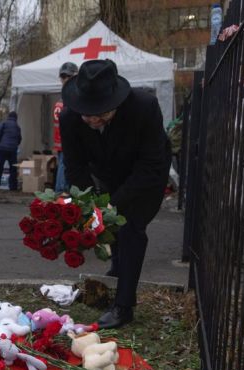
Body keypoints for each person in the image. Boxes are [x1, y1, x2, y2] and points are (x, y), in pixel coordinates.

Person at [60, 59, 171, 329]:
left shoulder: (144, 107)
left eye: (101, 112)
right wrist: (87, 205)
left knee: (130, 226)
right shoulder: (69, 117)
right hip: (106, 175)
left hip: (145, 177)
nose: (93, 119)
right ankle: (118, 272)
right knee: (110, 226)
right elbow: (75, 167)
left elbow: (151, 165)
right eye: (88, 113)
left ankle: (124, 305)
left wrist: (112, 204)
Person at [53, 62, 79, 193]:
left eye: (67, 76)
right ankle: (61, 193)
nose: (65, 79)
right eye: (63, 77)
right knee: (64, 168)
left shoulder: (63, 98)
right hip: (66, 143)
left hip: (62, 143)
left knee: (63, 167)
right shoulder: (68, 100)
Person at [0, 111, 22, 190]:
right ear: (16, 118)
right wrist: (15, 145)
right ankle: (13, 186)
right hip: (12, 150)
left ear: (8, 116)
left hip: (2, 149)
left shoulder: (3, 123)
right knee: (13, 169)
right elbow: (19, 139)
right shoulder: (17, 127)